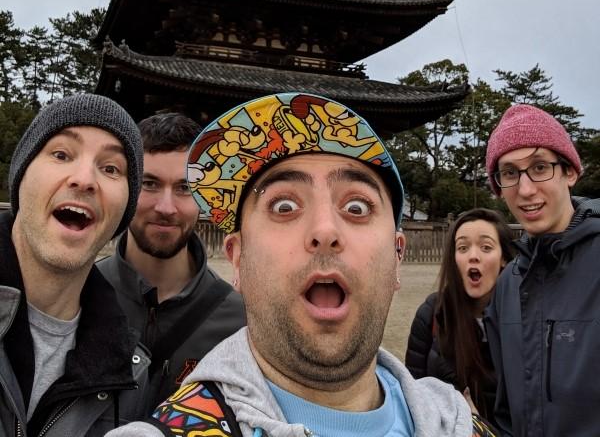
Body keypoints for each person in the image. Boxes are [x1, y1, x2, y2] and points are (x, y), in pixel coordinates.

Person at [107, 92, 497, 437]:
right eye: (284, 206)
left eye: (357, 207)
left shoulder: (460, 425)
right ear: (238, 257)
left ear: (397, 256)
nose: (325, 230)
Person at [0, 93, 150, 436]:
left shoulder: (130, 374)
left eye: (111, 168)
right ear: (22, 177)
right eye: (61, 154)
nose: (84, 179)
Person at [98, 112, 246, 412]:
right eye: (150, 184)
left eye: (184, 188)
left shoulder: (240, 323)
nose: (166, 207)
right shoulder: (79, 297)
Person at [484, 104, 600, 436]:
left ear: (570, 172)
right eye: (509, 173)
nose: (525, 189)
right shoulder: (507, 284)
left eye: (539, 167)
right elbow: (505, 409)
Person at [405, 208, 515, 423]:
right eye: (462, 247)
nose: (473, 256)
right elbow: (412, 395)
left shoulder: (524, 319)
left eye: (486, 247)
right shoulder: (431, 315)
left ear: (504, 258)